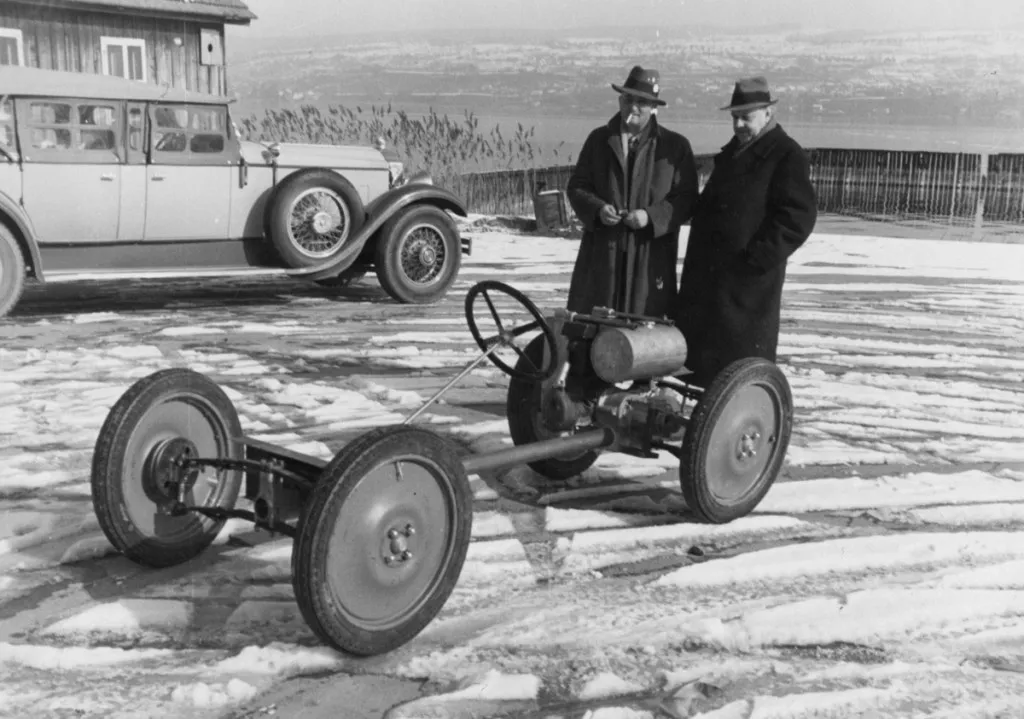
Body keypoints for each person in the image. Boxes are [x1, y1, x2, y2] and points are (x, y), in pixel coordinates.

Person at [675, 76, 817, 386]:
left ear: (767, 113)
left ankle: (733, 424)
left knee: (739, 370)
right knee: (702, 365)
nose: (739, 124)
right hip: (711, 279)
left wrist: (757, 258)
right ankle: (702, 425)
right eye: (735, 117)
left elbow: (798, 217)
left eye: (746, 117)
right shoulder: (734, 152)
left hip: (748, 284)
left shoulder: (786, 154)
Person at [565, 65, 699, 319]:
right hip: (604, 255)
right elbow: (577, 186)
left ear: (653, 107)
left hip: (650, 259)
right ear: (620, 101)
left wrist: (650, 217)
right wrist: (597, 209)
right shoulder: (599, 140)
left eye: (642, 102)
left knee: (644, 335)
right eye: (629, 100)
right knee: (595, 332)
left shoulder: (675, 147)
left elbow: (687, 199)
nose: (634, 108)